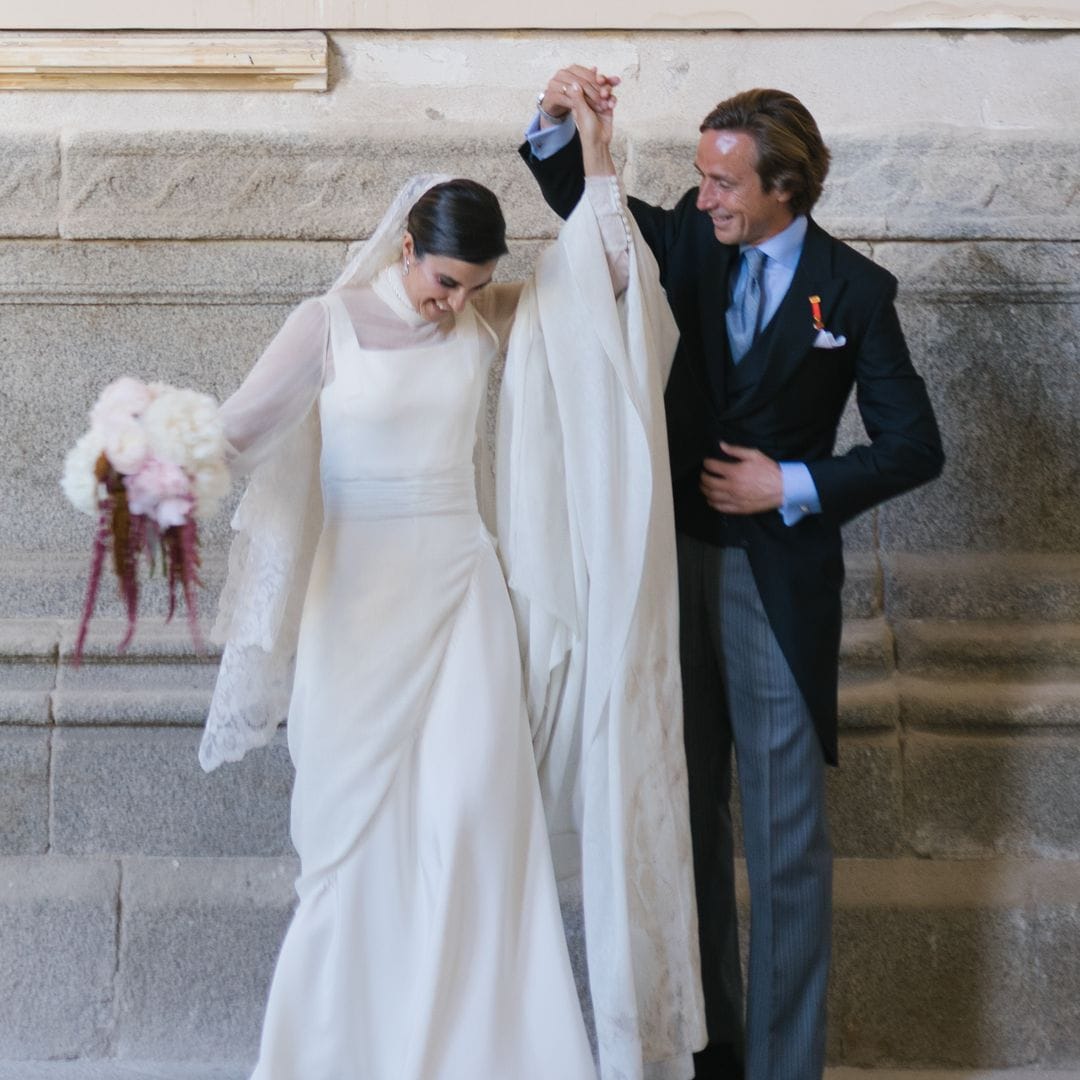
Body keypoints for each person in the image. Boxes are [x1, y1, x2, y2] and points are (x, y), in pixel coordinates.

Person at [199, 84, 705, 1080]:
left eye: (476, 286)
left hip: (462, 593)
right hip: (357, 602)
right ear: (405, 251)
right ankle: (335, 1055)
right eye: (444, 283)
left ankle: (482, 1054)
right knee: (347, 833)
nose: (456, 303)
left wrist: (596, 153)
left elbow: (606, 282)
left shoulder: (485, 321)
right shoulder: (327, 323)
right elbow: (236, 433)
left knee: (477, 812)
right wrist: (145, 460)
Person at [520, 71, 944, 1080]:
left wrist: (788, 482)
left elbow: (914, 448)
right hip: (667, 570)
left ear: (782, 188)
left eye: (722, 182)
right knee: (686, 821)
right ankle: (710, 1057)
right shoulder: (685, 242)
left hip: (778, 587)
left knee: (786, 841)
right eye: (701, 177)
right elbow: (584, 205)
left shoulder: (855, 291)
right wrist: (557, 122)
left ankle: (786, 1069)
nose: (703, 194)